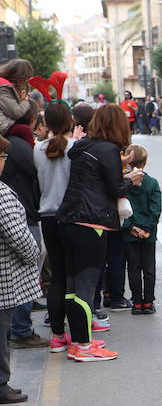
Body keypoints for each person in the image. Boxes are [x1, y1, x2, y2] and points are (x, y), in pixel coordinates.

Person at [57, 105, 143, 361]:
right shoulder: (107, 149)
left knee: (72, 287)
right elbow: (116, 188)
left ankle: (78, 341)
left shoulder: (83, 146)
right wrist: (132, 178)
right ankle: (84, 346)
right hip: (91, 224)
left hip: (69, 221)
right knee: (86, 287)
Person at [2, 99, 47, 349]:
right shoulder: (20, 145)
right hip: (24, 215)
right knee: (25, 272)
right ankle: (21, 330)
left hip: (26, 212)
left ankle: (19, 328)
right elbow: (38, 176)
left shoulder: (15, 141)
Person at [0, 134, 41, 403]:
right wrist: (34, 255)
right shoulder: (1, 193)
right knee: (1, 333)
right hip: (3, 276)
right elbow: (17, 234)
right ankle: (1, 384)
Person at [35, 101, 78, 354]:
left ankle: (57, 335)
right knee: (74, 275)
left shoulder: (36, 149)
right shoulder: (75, 147)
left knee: (58, 276)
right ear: (70, 121)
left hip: (47, 217)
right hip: (71, 217)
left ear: (46, 123)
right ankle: (77, 333)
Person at [121, 144, 161, 315]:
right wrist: (147, 228)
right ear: (145, 161)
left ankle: (137, 302)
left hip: (130, 232)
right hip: (149, 233)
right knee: (149, 268)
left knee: (133, 268)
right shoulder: (152, 183)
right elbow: (156, 209)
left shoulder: (124, 183)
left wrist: (131, 227)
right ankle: (148, 302)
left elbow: (121, 208)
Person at [0, 59, 35, 135]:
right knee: (25, 130)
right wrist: (25, 101)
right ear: (20, 76)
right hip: (3, 126)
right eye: (25, 78)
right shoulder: (4, 88)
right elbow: (16, 112)